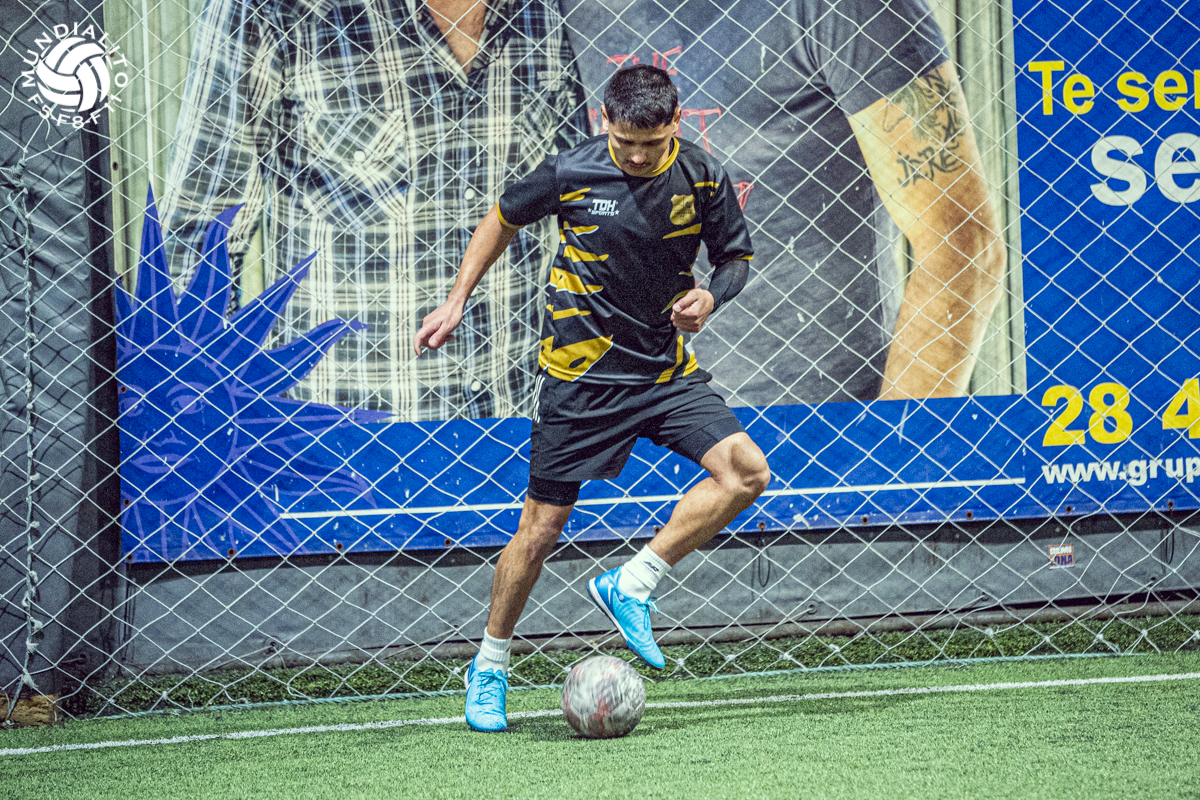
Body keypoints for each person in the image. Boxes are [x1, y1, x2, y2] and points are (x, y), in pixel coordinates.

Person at [413, 65, 770, 732]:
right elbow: (501, 218)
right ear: (605, 120)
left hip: (663, 374)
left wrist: (710, 296)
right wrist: (457, 300)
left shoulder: (702, 175)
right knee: (539, 531)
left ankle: (630, 584)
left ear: (676, 123)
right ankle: (489, 665)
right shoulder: (570, 171)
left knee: (746, 472)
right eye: (625, 142)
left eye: (651, 144)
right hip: (581, 380)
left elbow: (735, 257)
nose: (636, 156)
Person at [561, 0, 1006, 405]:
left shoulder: (843, 8)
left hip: (819, 420)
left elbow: (963, 245)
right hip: (632, 411)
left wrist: (893, 448)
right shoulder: (573, 10)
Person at [160, 0, 587, 419]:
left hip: (516, 409)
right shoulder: (273, 10)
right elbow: (200, 229)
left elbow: (592, 202)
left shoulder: (555, 10)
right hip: (341, 427)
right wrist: (205, 412)